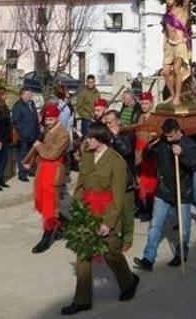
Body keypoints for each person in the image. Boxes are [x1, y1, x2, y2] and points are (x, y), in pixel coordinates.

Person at [60, 123, 139, 316]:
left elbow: (119, 197)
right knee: (83, 255)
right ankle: (82, 300)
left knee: (111, 253)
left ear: (102, 140)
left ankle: (128, 281)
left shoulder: (116, 162)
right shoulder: (87, 154)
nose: (87, 141)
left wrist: (108, 222)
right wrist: (76, 210)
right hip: (86, 211)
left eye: (91, 138)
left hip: (105, 212)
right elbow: (81, 184)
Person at [133, 118, 196, 271]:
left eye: (171, 136)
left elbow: (195, 164)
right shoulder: (162, 142)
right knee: (155, 225)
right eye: (166, 136)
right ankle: (148, 258)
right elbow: (147, 155)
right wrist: (150, 145)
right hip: (163, 190)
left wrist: (182, 154)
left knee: (183, 227)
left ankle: (181, 253)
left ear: (178, 131)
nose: (169, 139)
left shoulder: (189, 144)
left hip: (182, 190)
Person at [23, 104, 70, 254]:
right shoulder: (49, 130)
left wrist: (39, 147)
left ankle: (46, 237)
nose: (48, 121)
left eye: (51, 118)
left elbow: (52, 154)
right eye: (47, 118)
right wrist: (30, 162)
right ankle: (64, 223)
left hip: (54, 171)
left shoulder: (63, 134)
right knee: (43, 200)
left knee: (50, 204)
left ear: (57, 118)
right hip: (45, 169)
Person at [102, 110, 138, 253]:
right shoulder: (106, 136)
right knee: (111, 211)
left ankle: (127, 238)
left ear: (118, 121)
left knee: (126, 212)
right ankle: (113, 237)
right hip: (110, 180)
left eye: (111, 122)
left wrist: (116, 136)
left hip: (125, 180)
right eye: (107, 122)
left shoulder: (127, 134)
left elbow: (126, 151)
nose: (108, 125)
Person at [161, 0, 192, 106]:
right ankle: (172, 94)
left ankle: (177, 96)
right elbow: (165, 29)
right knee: (165, 71)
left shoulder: (181, 11)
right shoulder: (167, 15)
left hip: (179, 43)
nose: (168, 1)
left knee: (177, 70)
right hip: (169, 44)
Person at [134, 92, 157, 222]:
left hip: (148, 154)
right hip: (138, 152)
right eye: (142, 103)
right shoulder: (139, 117)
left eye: (146, 103)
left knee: (149, 183)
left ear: (151, 103)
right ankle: (143, 208)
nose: (144, 105)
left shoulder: (154, 118)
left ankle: (150, 210)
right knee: (140, 182)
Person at [11, 87, 39, 182]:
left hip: (33, 133)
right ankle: (22, 173)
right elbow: (15, 121)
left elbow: (35, 119)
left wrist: (37, 132)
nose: (30, 96)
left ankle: (30, 170)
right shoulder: (18, 106)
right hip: (23, 136)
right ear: (22, 95)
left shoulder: (32, 104)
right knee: (22, 154)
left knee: (31, 154)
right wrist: (22, 132)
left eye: (31, 94)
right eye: (28, 94)